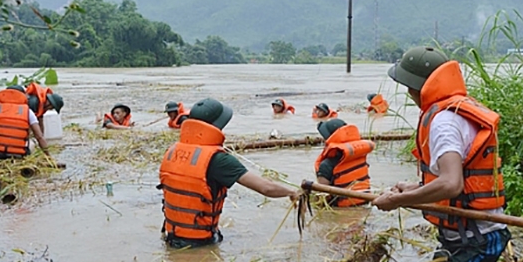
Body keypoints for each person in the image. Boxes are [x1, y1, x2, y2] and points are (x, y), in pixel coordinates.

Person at [372, 46, 508, 262]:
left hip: (478, 239)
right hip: (459, 233)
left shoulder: (443, 121)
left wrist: (397, 200)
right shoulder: (452, 110)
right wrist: (413, 189)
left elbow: (451, 184)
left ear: (416, 87)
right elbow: (454, 183)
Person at [158, 98, 299, 248]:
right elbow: (266, 188)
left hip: (171, 237)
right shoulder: (218, 160)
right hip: (200, 243)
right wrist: (291, 192)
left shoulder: (172, 150)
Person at [0, 87, 50, 160]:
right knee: (32, 141)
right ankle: (24, 159)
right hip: (18, 155)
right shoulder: (28, 112)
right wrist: (49, 156)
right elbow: (39, 137)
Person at [314, 118, 375, 207]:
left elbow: (322, 196)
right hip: (364, 203)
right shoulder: (357, 156)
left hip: (341, 209)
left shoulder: (326, 165)